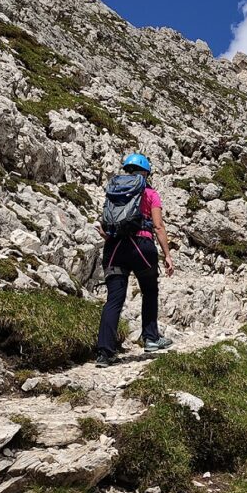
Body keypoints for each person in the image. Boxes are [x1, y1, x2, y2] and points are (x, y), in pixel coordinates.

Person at [94, 153, 176, 367]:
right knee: (149, 290)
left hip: (114, 248)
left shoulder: (113, 191)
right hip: (141, 246)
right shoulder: (150, 193)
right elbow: (158, 226)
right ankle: (151, 338)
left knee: (114, 300)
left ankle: (104, 353)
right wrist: (167, 254)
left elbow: (106, 223)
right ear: (146, 173)